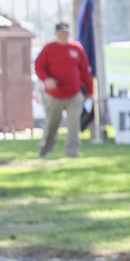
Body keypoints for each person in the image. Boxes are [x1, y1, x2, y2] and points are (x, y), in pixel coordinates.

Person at [34, 20, 94, 158]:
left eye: (66, 32)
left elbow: (85, 71)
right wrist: (46, 79)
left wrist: (90, 91)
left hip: (74, 94)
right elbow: (38, 66)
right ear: (56, 34)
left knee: (74, 125)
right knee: (51, 125)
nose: (63, 35)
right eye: (61, 32)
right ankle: (45, 149)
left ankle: (72, 152)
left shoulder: (76, 48)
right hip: (54, 94)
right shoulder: (49, 48)